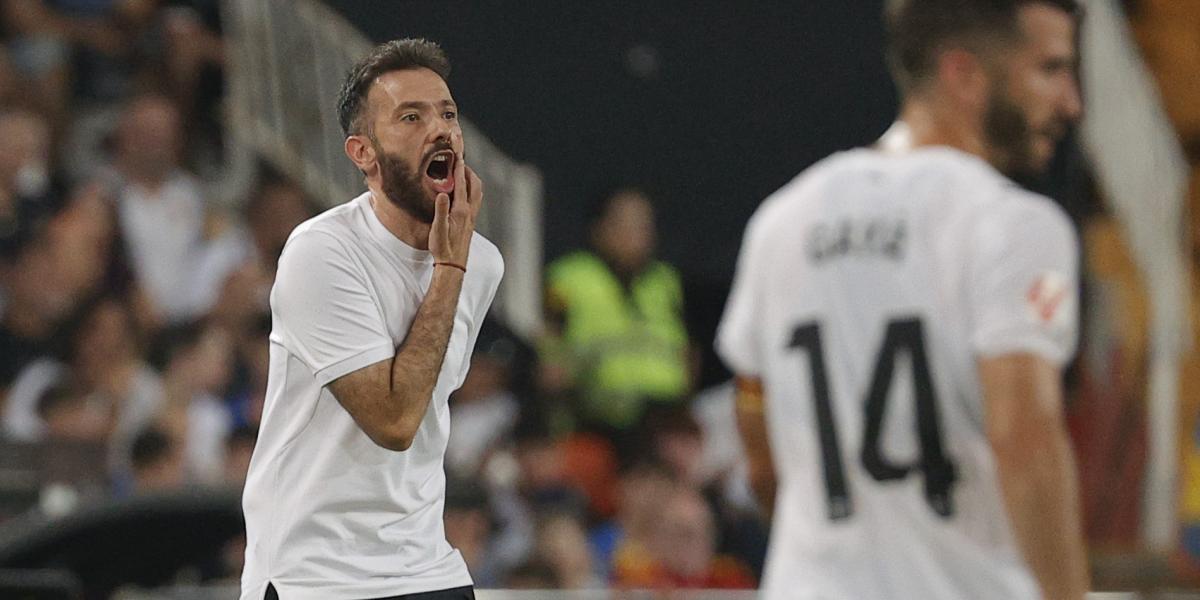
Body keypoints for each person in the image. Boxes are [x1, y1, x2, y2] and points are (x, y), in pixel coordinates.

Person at [716, 1, 1088, 599]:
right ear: (963, 75)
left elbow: (758, 444)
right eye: (1050, 69)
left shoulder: (783, 220)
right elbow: (1026, 439)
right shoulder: (1010, 224)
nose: (1071, 103)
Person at [240, 38, 501, 600]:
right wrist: (448, 267)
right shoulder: (321, 252)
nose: (440, 131)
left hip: (427, 565)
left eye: (447, 114)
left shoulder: (483, 263)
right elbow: (394, 421)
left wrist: (457, 263)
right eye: (411, 117)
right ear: (363, 153)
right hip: (315, 573)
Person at [543, 187, 690, 435]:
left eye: (644, 225)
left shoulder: (665, 281)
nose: (637, 234)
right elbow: (548, 346)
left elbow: (687, 351)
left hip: (662, 417)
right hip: (595, 416)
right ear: (599, 229)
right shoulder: (568, 277)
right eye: (625, 223)